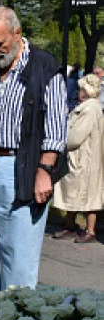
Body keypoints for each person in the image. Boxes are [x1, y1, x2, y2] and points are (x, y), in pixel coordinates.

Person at [0, 6, 68, 305]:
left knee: (18, 253)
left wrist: (45, 171)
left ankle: (14, 316)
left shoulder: (44, 66)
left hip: (22, 167)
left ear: (17, 34)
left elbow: (56, 126)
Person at [53, 74, 104, 243]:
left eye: (81, 89)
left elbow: (75, 137)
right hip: (80, 158)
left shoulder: (89, 110)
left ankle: (90, 231)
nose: (78, 92)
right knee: (74, 192)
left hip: (85, 158)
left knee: (89, 195)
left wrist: (60, 141)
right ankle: (69, 225)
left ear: (87, 91)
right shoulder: (86, 107)